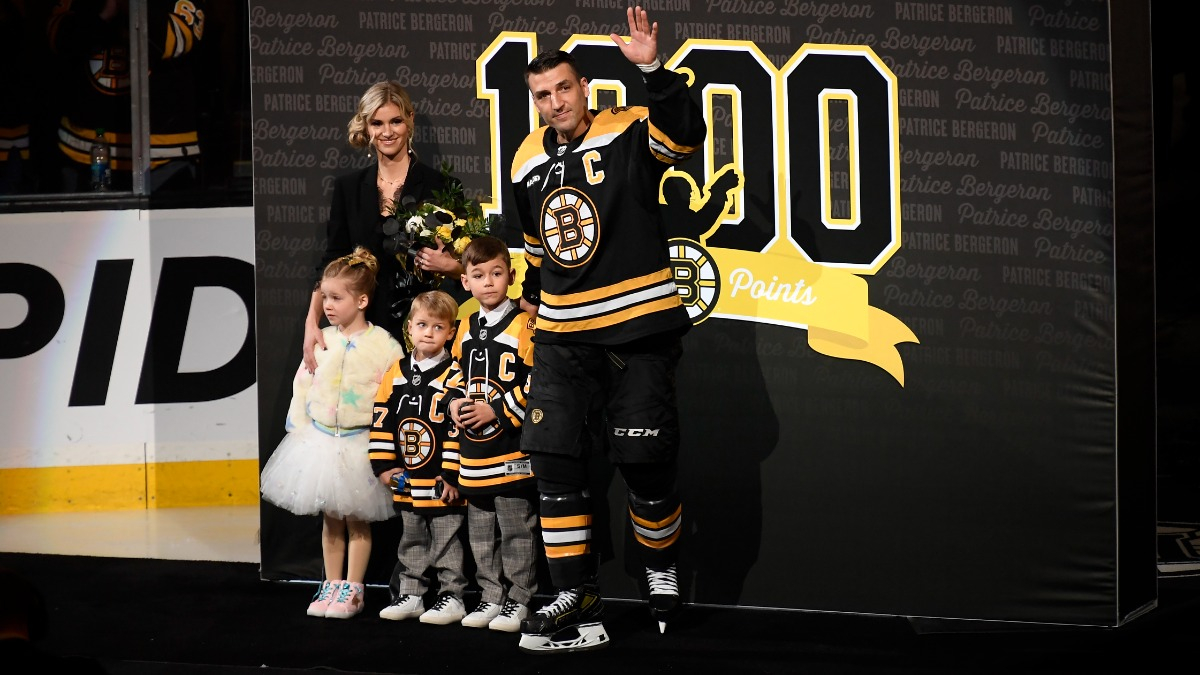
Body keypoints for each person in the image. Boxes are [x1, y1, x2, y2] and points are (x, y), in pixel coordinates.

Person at [509, 5, 707, 653]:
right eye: (543, 94)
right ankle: (576, 589)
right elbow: (536, 249)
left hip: (638, 328)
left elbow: (683, 138)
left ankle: (661, 572)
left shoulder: (627, 130)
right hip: (564, 337)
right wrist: (530, 314)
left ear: (584, 89)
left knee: (646, 461)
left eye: (565, 87)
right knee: (554, 461)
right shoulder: (525, 159)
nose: (556, 101)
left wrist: (652, 67)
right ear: (534, 102)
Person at [259, 246, 403, 620]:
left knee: (357, 519)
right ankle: (331, 584)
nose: (328, 305)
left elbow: (393, 397)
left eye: (336, 298)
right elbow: (302, 385)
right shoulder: (322, 340)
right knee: (330, 520)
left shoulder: (385, 346)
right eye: (324, 297)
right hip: (322, 442)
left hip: (360, 443)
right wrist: (302, 431)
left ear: (362, 300)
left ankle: (354, 589)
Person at [306, 80, 467, 374]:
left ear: (410, 120)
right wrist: (311, 322)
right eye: (377, 123)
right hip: (362, 325)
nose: (387, 131)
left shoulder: (442, 186)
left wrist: (448, 265)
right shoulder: (348, 188)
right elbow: (333, 260)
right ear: (367, 127)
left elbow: (466, 266)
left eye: (396, 121)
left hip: (423, 327)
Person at [444, 235, 539, 633]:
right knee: (480, 531)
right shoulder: (464, 327)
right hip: (473, 451)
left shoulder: (524, 324)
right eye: (479, 275)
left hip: (510, 448)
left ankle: (519, 599)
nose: (488, 282)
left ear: (511, 276)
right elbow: (452, 374)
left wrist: (496, 410)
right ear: (465, 281)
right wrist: (451, 401)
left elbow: (538, 379)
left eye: (497, 273)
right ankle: (490, 596)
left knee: (517, 528)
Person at [370, 290, 470, 625]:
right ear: (409, 328)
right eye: (422, 324)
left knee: (445, 540)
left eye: (438, 327)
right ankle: (411, 594)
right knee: (411, 538)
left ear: (451, 332)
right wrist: (384, 466)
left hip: (440, 481)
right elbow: (382, 419)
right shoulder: (395, 373)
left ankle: (451, 597)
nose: (429, 332)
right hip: (407, 477)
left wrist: (452, 474)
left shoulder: (456, 376)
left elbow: (458, 430)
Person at [46, 0, 205, 192]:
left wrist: (129, 5)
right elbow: (59, 39)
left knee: (161, 219)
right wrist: (103, 14)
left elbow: (172, 40)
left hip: (163, 155)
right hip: (83, 149)